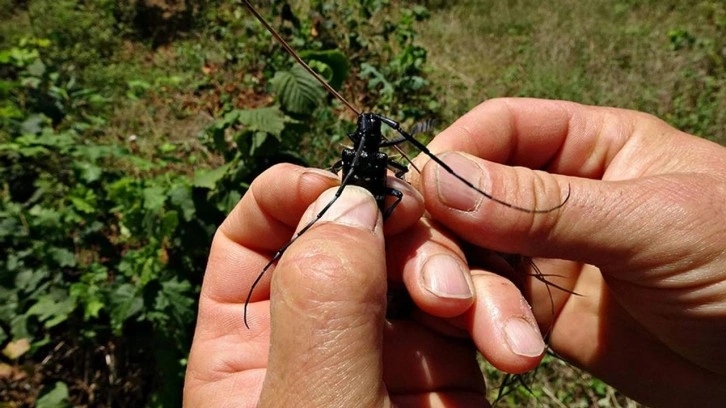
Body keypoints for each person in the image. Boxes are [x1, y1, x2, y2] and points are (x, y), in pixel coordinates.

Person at [183, 98, 726, 407]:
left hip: (387, 215)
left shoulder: (384, 164)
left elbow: (392, 180)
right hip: (375, 210)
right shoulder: (368, 156)